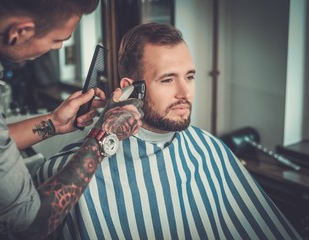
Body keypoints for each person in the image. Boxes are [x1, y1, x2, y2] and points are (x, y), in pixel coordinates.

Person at [35, 22, 301, 240]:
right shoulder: (67, 172)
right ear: (129, 88)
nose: (185, 93)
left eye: (190, 76)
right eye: (167, 80)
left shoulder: (208, 148)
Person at [0, 0, 144, 239]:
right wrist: (104, 135)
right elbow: (28, 224)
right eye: (58, 39)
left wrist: (54, 123)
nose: (59, 48)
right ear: (20, 31)